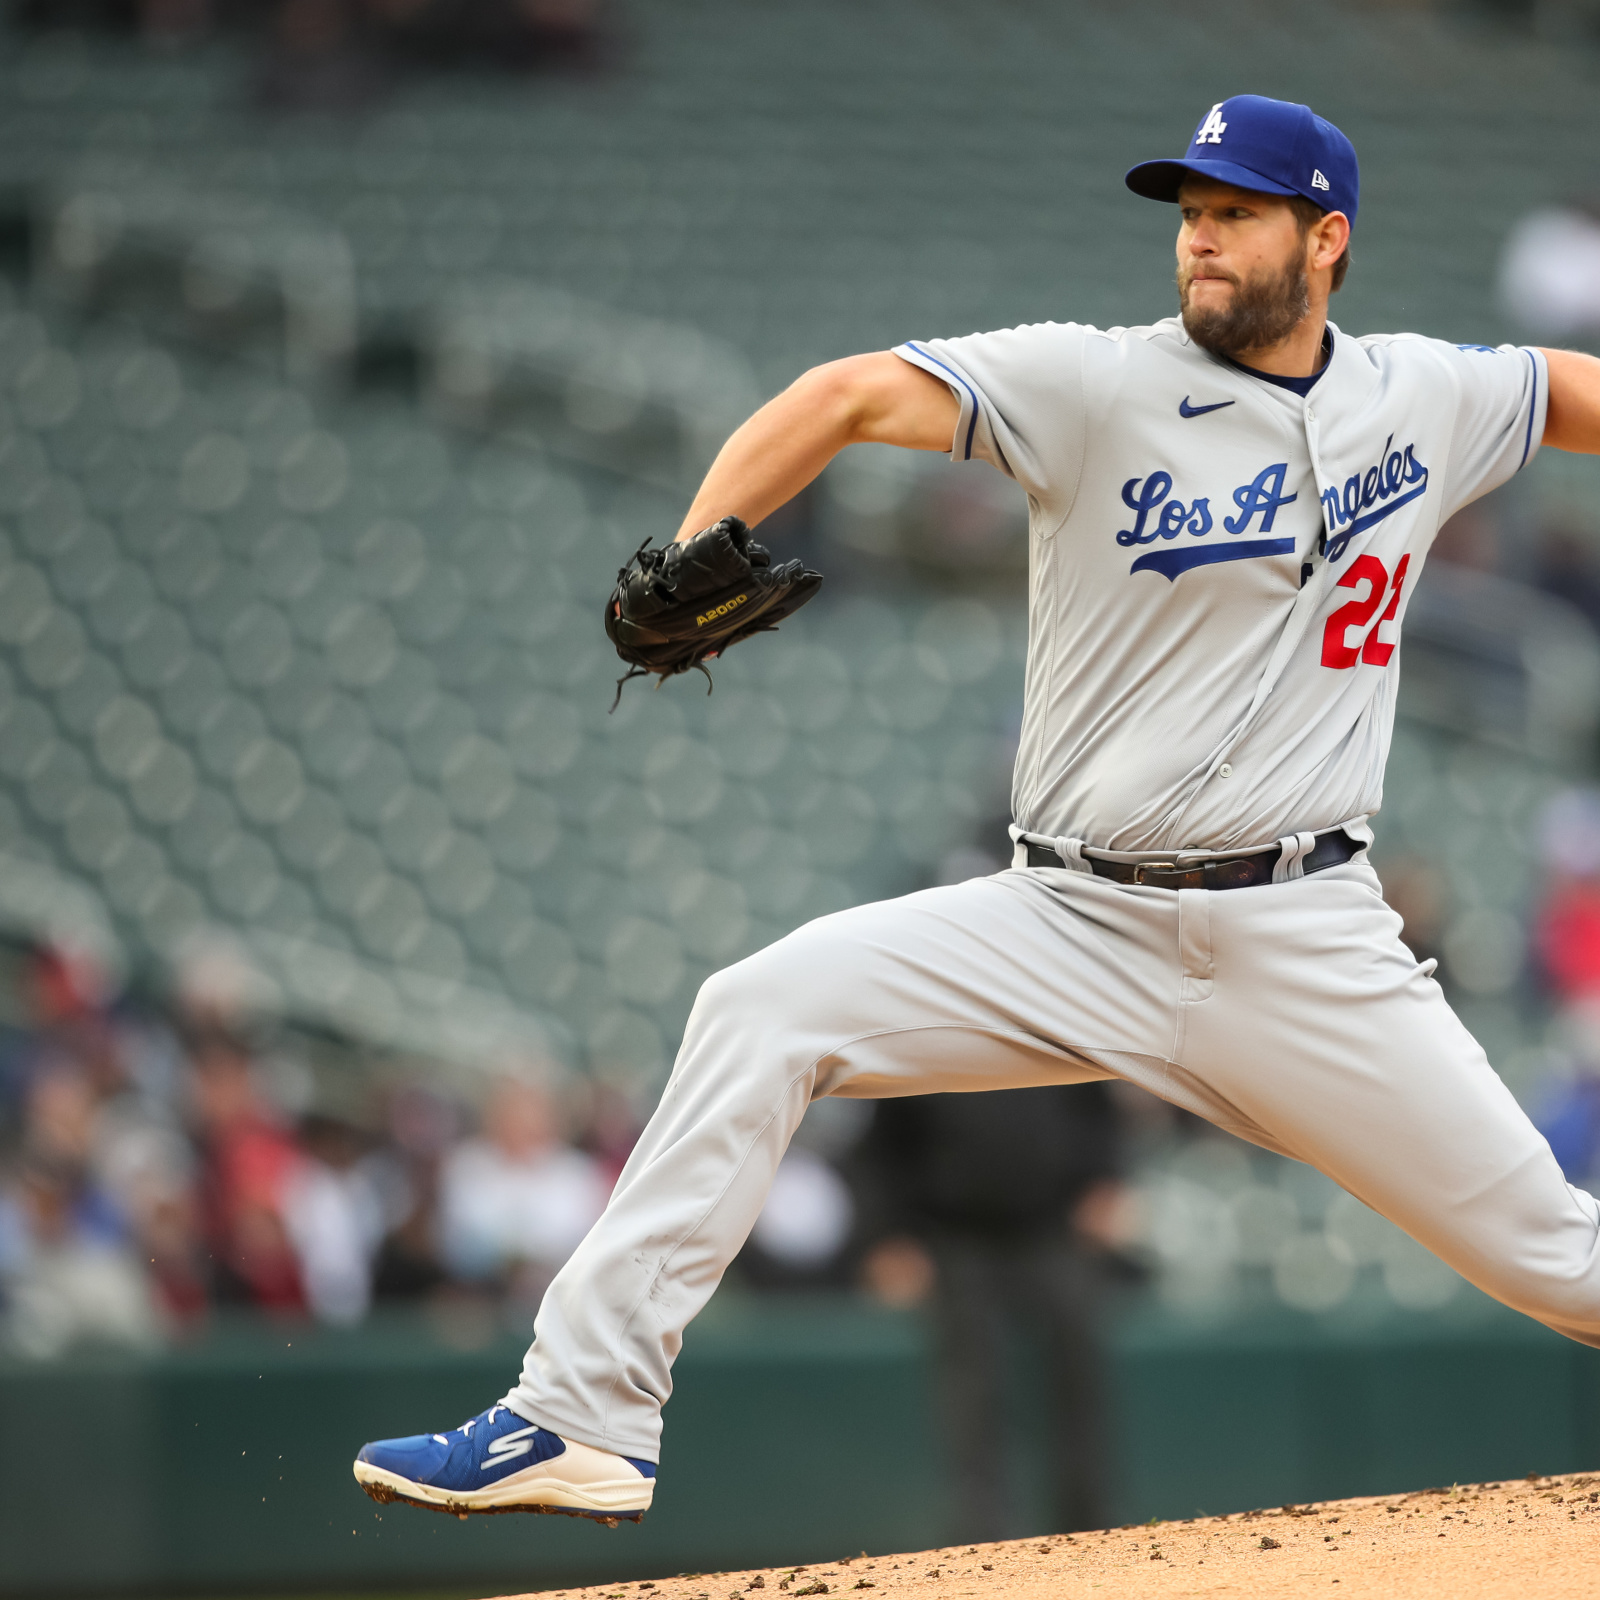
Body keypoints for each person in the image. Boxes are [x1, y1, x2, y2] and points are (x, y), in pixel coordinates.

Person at [353, 93, 1600, 1524]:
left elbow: (1560, 388)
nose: (1197, 241)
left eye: (1234, 214)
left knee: (1563, 1267)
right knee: (763, 1008)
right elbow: (843, 397)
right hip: (1071, 914)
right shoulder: (1091, 382)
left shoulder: (1423, 392)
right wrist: (704, 537)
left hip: (1303, 937)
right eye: (1188, 214)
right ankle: (577, 1418)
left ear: (1326, 239)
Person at [858, 1083, 1127, 1539]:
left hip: (1053, 1229)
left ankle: (1091, 1531)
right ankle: (985, 1544)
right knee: (973, 1393)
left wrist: (1105, 1180)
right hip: (957, 1237)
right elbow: (883, 1148)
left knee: (1077, 1382)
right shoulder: (929, 1035)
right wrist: (889, 1233)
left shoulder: (1053, 1021)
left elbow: (1099, 1113)